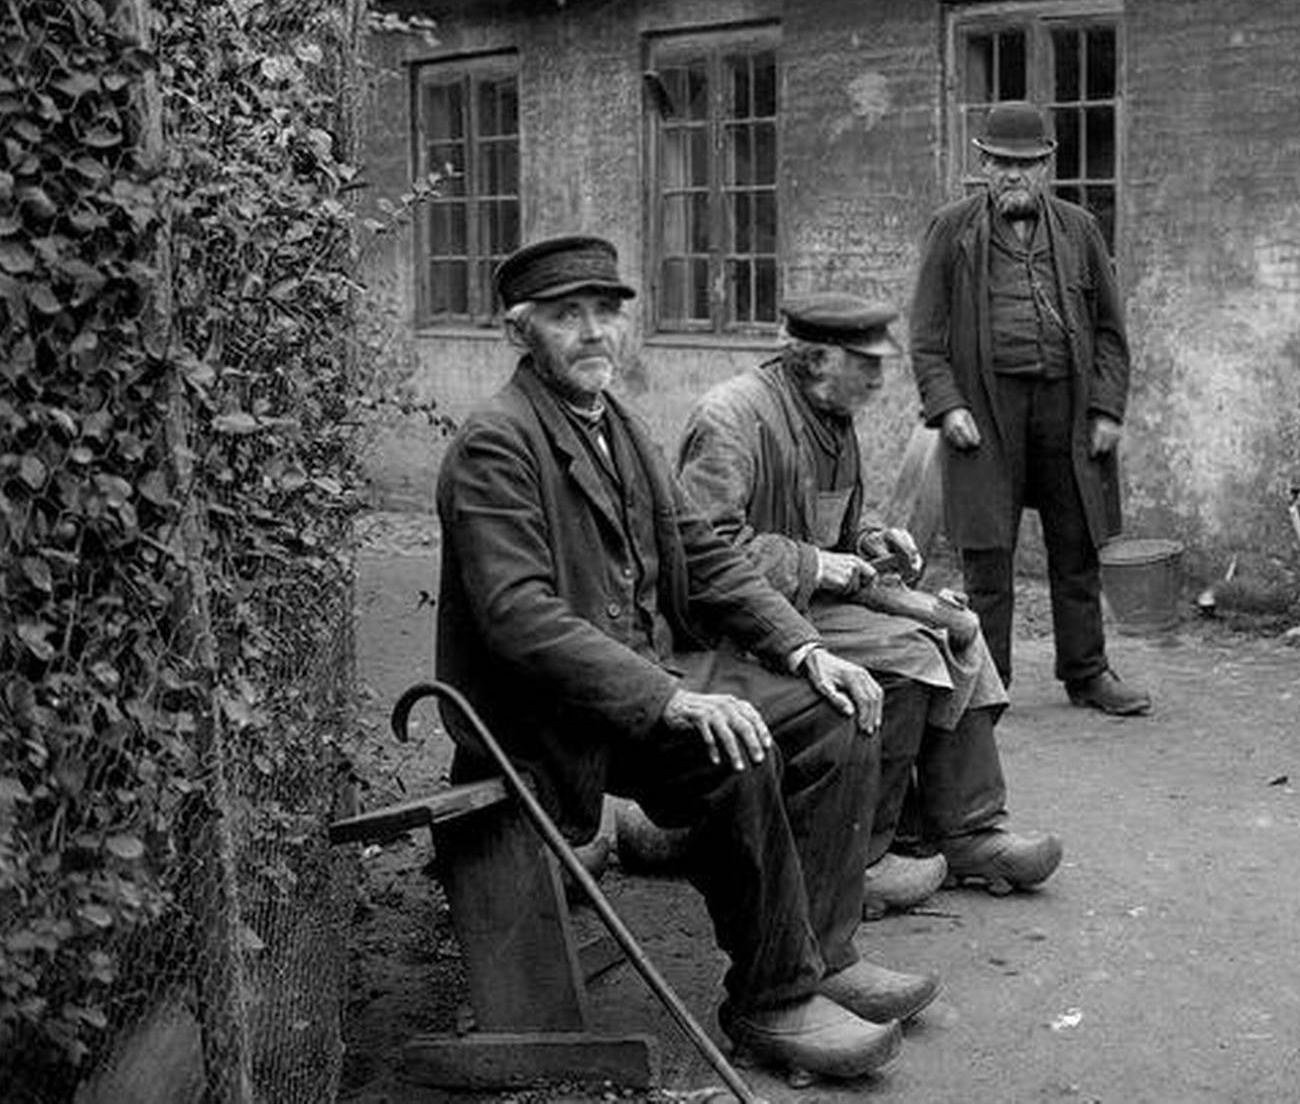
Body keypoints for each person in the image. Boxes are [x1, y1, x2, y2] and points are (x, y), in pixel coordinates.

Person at [432, 235, 938, 1081]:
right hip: (554, 714)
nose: (594, 333)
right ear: (522, 333)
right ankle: (771, 1000)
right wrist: (668, 698)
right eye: (567, 316)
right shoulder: (496, 443)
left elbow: (702, 553)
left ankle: (823, 952)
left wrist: (806, 646)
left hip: (649, 680)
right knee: (737, 746)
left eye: (605, 314)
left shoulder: (617, 426)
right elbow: (520, 618)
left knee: (841, 709)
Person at [675, 292, 1065, 905]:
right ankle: (861, 861)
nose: (881, 380)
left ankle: (967, 828)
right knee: (906, 657)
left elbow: (833, 529)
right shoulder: (731, 416)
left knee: (953, 628)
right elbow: (703, 554)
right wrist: (815, 563)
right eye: (868, 364)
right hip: (737, 624)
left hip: (805, 603)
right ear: (820, 358)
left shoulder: (832, 415)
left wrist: (873, 538)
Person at [909, 101, 1149, 715]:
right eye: (1001, 163)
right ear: (982, 165)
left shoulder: (1078, 229)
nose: (1014, 175)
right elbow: (927, 335)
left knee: (1076, 545)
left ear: (1048, 167)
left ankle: (1087, 672)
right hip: (986, 411)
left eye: (1027, 164)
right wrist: (947, 405)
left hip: (1066, 409)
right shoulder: (952, 229)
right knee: (988, 554)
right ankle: (989, 683)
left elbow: (1110, 332)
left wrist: (1105, 409)